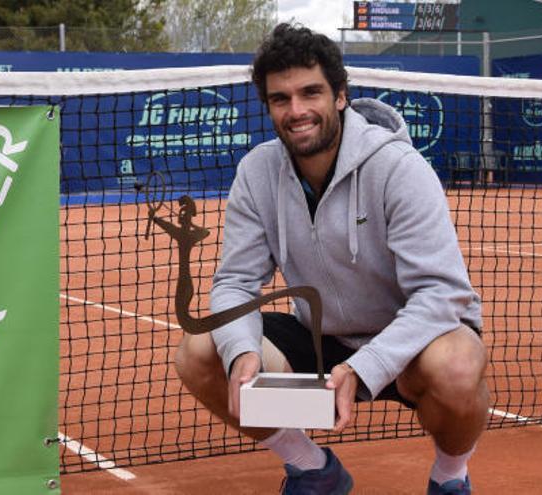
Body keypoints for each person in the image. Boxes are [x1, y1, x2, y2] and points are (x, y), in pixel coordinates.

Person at [173, 23, 489, 495]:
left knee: (458, 367)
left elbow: (443, 292)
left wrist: (368, 366)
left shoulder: (399, 168)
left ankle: (449, 477)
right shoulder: (257, 172)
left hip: (412, 350)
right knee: (202, 355)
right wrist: (241, 351)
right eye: (281, 99)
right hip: (321, 341)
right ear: (268, 106)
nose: (297, 111)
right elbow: (237, 282)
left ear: (340, 95)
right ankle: (313, 468)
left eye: (310, 93)